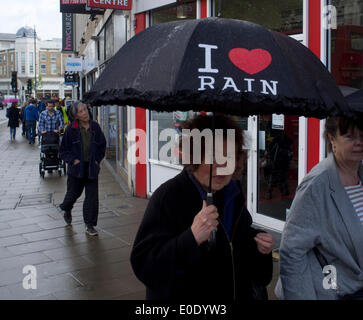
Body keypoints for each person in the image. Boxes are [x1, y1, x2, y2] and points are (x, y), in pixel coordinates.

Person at [130, 114, 274, 301]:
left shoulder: (233, 192)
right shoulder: (168, 197)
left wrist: (259, 246)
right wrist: (191, 238)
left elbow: (234, 243)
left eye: (229, 156)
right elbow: (145, 266)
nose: (221, 165)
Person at [277, 116, 363, 300]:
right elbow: (291, 251)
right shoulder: (317, 185)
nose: (359, 143)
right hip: (335, 292)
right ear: (332, 138)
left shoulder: (359, 176)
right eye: (350, 136)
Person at [58, 101, 106, 236]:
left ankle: (90, 225)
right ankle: (66, 208)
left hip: (91, 168)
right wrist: (73, 160)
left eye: (85, 109)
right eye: (81, 111)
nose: (84, 113)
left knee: (92, 197)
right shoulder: (71, 129)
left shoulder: (95, 126)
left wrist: (97, 160)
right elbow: (63, 151)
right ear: (75, 116)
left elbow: (102, 145)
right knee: (72, 195)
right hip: (76, 169)